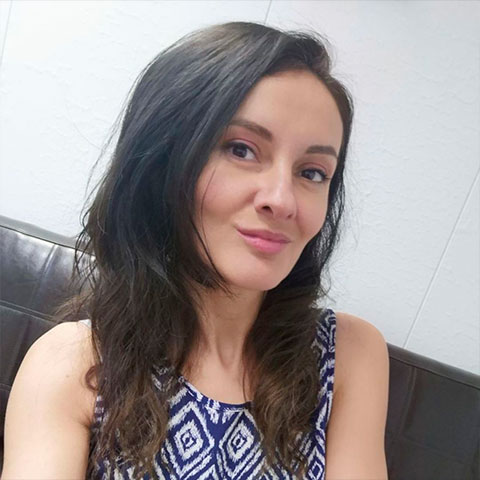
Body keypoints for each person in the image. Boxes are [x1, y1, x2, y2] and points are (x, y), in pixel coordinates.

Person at [2, 21, 390, 480]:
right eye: (241, 149)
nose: (283, 200)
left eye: (312, 172)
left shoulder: (346, 356)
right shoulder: (74, 364)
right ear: (163, 161)